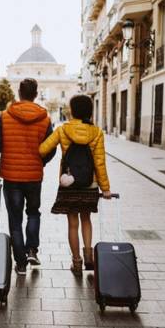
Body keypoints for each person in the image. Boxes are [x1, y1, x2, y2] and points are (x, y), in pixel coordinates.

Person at [0, 78, 56, 276]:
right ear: (35, 94)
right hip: (34, 176)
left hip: (11, 176)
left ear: (19, 93)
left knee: (15, 219)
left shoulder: (6, 116)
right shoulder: (44, 118)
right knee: (33, 212)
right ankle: (32, 249)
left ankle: (21, 263)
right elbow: (50, 147)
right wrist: (41, 162)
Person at [39, 95, 111, 275]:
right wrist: (105, 188)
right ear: (89, 111)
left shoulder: (63, 130)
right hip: (90, 184)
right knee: (86, 219)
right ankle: (89, 256)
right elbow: (100, 162)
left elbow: (42, 149)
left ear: (72, 110)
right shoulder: (96, 132)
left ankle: (76, 262)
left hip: (69, 183)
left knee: (72, 224)